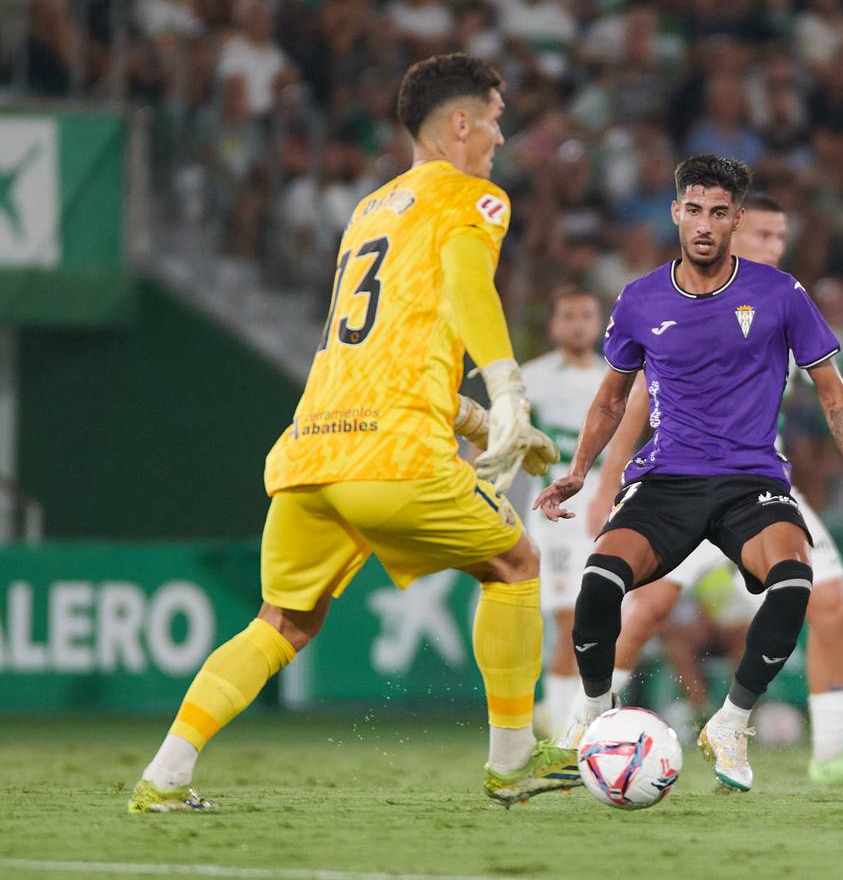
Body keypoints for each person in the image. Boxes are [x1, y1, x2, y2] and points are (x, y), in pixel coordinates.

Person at [129, 54, 577, 812]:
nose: (501, 137)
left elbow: (391, 353)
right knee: (515, 563)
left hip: (314, 447)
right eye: (496, 120)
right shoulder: (474, 198)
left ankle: (164, 776)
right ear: (460, 123)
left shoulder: (370, 210)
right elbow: (471, 287)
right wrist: (505, 387)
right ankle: (512, 762)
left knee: (283, 621)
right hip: (392, 455)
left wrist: (478, 418)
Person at [535, 155, 843, 792]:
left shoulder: (780, 294)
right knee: (600, 582)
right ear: (676, 212)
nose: (705, 223)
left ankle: (730, 724)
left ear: (735, 219)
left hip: (750, 482)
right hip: (668, 480)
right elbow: (613, 399)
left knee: (794, 583)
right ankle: (592, 711)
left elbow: (834, 395)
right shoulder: (640, 299)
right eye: (694, 209)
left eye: (719, 212)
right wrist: (580, 473)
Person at [521, 287, 611, 736]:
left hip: (608, 509)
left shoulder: (614, 377)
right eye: (568, 316)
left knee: (604, 620)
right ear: (554, 326)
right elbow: (492, 437)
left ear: (598, 324)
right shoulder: (530, 377)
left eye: (586, 315)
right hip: (555, 514)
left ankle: (582, 724)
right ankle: (563, 732)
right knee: (571, 622)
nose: (578, 323)